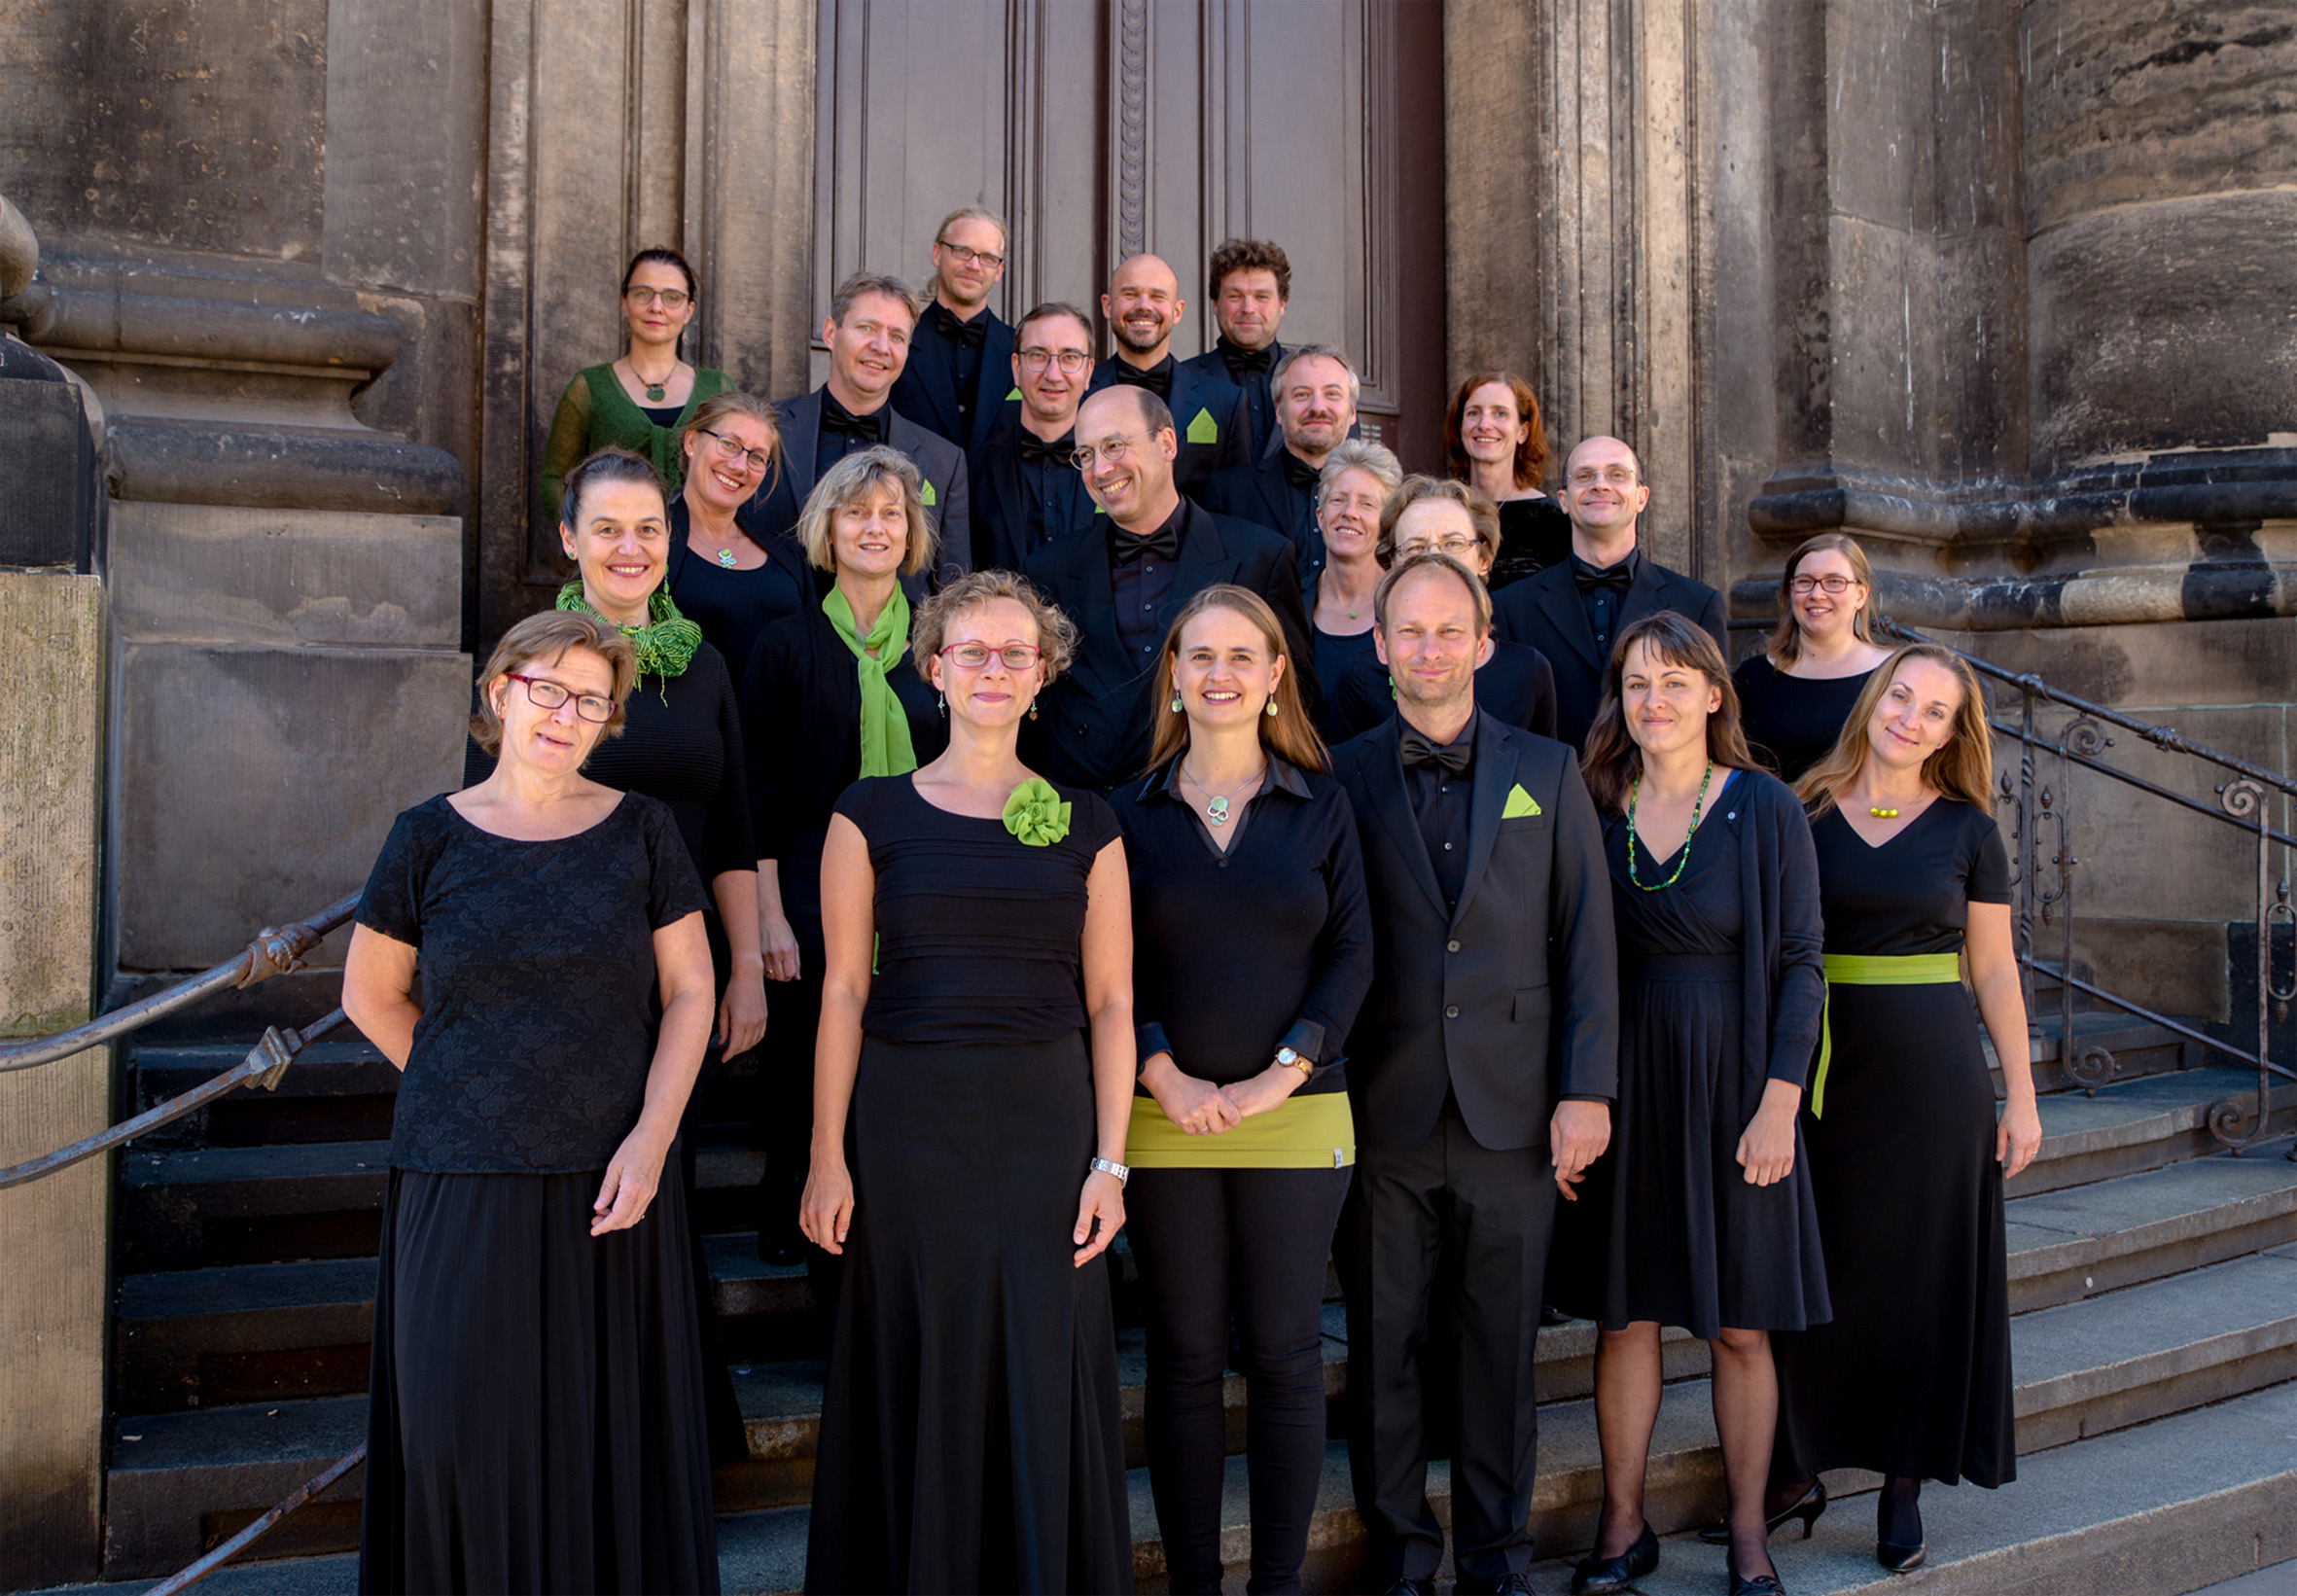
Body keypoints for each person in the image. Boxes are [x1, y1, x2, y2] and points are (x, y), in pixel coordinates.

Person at [347, 609, 720, 1593]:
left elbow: (691, 992)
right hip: (458, 1174)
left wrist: (652, 1137)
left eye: (589, 699)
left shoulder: (644, 830)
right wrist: (467, 1083)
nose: (564, 713)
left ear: (608, 720)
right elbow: (369, 994)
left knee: (605, 1448)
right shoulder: (425, 835)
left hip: (614, 1180)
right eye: (545, 688)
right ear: (498, 691)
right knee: (456, 1435)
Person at [799, 570, 1135, 1593]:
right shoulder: (866, 815)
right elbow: (845, 992)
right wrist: (826, 1156)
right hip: (908, 1123)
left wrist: (1110, 1164)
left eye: (1015, 654)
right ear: (934, 668)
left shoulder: (1089, 821)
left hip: (1045, 1122)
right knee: (919, 1348)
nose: (994, 669)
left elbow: (1114, 1003)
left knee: (1041, 1355)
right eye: (972, 652)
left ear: (1043, 678)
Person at [468, 446, 764, 1467]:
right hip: (568, 975)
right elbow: (485, 828)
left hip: (676, 984)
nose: (629, 546)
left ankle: (660, 1433)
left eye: (647, 527)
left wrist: (747, 965)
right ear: (569, 540)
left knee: (660, 1188)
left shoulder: (708, 662)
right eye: (607, 528)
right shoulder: (536, 670)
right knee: (585, 1196)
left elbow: (730, 825)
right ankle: (569, 1430)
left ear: (670, 539)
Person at [1330, 551, 1618, 1596]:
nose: (1429, 649)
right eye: (1409, 631)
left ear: (1485, 646)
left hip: (1518, 1108)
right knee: (1384, 1350)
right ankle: (1402, 1557)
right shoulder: (1342, 772)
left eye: (1450, 630)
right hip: (1383, 1110)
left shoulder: (1546, 771)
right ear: (1379, 644)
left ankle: (1496, 1562)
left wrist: (1587, 1091)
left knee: (1500, 1356)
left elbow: (1586, 942)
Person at [1113, 585, 1374, 1595]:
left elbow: (1354, 950)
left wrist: (1285, 1071)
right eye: (1198, 655)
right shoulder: (1126, 810)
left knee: (1283, 1350)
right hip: (1161, 1114)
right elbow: (1109, 964)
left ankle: (1273, 1582)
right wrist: (1158, 1067)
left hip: (1298, 1117)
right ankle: (1191, 1582)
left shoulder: (1321, 799)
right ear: (1173, 674)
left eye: (1240, 656)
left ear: (1274, 676)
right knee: (1181, 1354)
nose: (1218, 673)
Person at [1562, 613, 1828, 1596]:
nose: (1655, 700)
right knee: (1624, 1319)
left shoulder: (1763, 807)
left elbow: (1801, 962)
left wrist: (1778, 1101)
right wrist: (1573, 1095)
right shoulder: (1593, 801)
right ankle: (1622, 1527)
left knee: (1740, 1325)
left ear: (1715, 694)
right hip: (1624, 1081)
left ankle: (1752, 1530)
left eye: (1675, 681)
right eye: (1636, 684)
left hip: (1735, 1086)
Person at [1764, 645, 2041, 1574]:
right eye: (1901, 696)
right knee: (1815, 1264)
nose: (1910, 717)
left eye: (1934, 710)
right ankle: (1797, 1464)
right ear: (1874, 699)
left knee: (1920, 1274)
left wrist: (2024, 1092)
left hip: (1932, 1079)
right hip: (1819, 1074)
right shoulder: (1798, 808)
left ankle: (1901, 1479)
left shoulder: (1969, 830)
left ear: (1952, 733)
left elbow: (1994, 967)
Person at [740, 446, 948, 1272]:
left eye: (890, 514)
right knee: (801, 1057)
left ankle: (888, 1197)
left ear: (912, 533)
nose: (874, 527)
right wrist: (766, 914)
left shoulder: (939, 649)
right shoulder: (785, 645)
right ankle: (790, 1196)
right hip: (804, 885)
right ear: (827, 529)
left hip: (915, 885)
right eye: (857, 513)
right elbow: (754, 787)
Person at [1025, 384, 1315, 792]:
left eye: (1114, 445)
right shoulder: (1048, 568)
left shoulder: (1259, 558)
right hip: (1081, 816)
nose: (1100, 470)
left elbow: (1292, 701)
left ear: (1166, 443)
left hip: (1207, 813)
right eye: (1086, 455)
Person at [1493, 436, 1728, 748]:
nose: (1600, 485)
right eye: (1584, 476)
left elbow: (1717, 724)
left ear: (1641, 497)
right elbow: (1504, 727)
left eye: (1617, 474)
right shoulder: (1511, 607)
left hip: (1661, 791)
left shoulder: (1699, 604)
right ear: (1563, 500)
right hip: (1550, 793)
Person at [738, 273, 972, 577]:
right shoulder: (764, 431)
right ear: (830, 332)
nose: (881, 346)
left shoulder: (945, 462)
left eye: (897, 336)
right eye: (867, 328)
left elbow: (952, 586)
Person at [1325, 477, 1557, 744]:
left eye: (1452, 544)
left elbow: (1543, 776)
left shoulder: (1529, 671)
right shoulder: (1360, 678)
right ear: (1393, 562)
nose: (1435, 559)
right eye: (1415, 547)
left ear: (1483, 559)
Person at [540, 246, 730, 524]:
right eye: (643, 293)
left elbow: (738, 470)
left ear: (689, 310)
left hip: (701, 555)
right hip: (616, 557)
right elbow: (554, 479)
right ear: (624, 301)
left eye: (672, 297)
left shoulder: (718, 389)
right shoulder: (589, 387)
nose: (657, 307)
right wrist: (586, 534)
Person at [662, 390, 811, 695]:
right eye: (729, 444)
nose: (740, 466)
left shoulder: (787, 556)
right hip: (688, 736)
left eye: (756, 457)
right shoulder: (651, 545)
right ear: (691, 442)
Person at [1085, 253, 1250, 499]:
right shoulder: (1080, 392)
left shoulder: (1226, 402)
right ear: (1107, 306)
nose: (1143, 305)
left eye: (1157, 296)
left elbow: (1237, 500)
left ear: (1177, 310)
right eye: (1130, 295)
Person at [1734, 533, 1893, 782]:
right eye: (1805, 581)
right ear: (1791, 591)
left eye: (1834, 582)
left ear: (1861, 595)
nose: (1817, 594)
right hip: (1772, 819)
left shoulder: (1893, 675)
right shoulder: (1752, 676)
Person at [1202, 343, 1359, 580]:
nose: (1317, 407)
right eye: (1302, 394)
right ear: (1279, 410)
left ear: (1352, 411)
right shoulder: (1228, 494)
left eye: (1332, 394)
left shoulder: (1384, 497)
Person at [974, 301, 1099, 571]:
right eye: (1038, 356)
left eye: (1069, 358)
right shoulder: (973, 470)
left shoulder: (1115, 468)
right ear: (1016, 367)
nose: (1053, 375)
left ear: (1088, 372)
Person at [888, 205, 1015, 459]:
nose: (974, 265)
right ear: (937, 253)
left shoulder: (1021, 350)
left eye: (988, 257)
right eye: (962, 251)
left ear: (999, 270)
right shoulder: (896, 342)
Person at [1446, 371, 1570, 588]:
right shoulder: (1442, 512)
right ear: (1460, 426)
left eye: (1500, 414)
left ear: (1523, 431)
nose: (1484, 424)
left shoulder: (1554, 520)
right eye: (1473, 413)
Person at [1306, 439, 1402, 717]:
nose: (1350, 513)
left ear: (1387, 523)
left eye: (1367, 504)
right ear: (1320, 516)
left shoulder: (1405, 607)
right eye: (1338, 500)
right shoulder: (1290, 601)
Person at [1179, 237, 1293, 456]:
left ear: (1282, 304)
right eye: (1235, 296)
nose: (1248, 308)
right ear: (1215, 304)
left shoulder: (1316, 382)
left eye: (1261, 296)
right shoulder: (1182, 381)